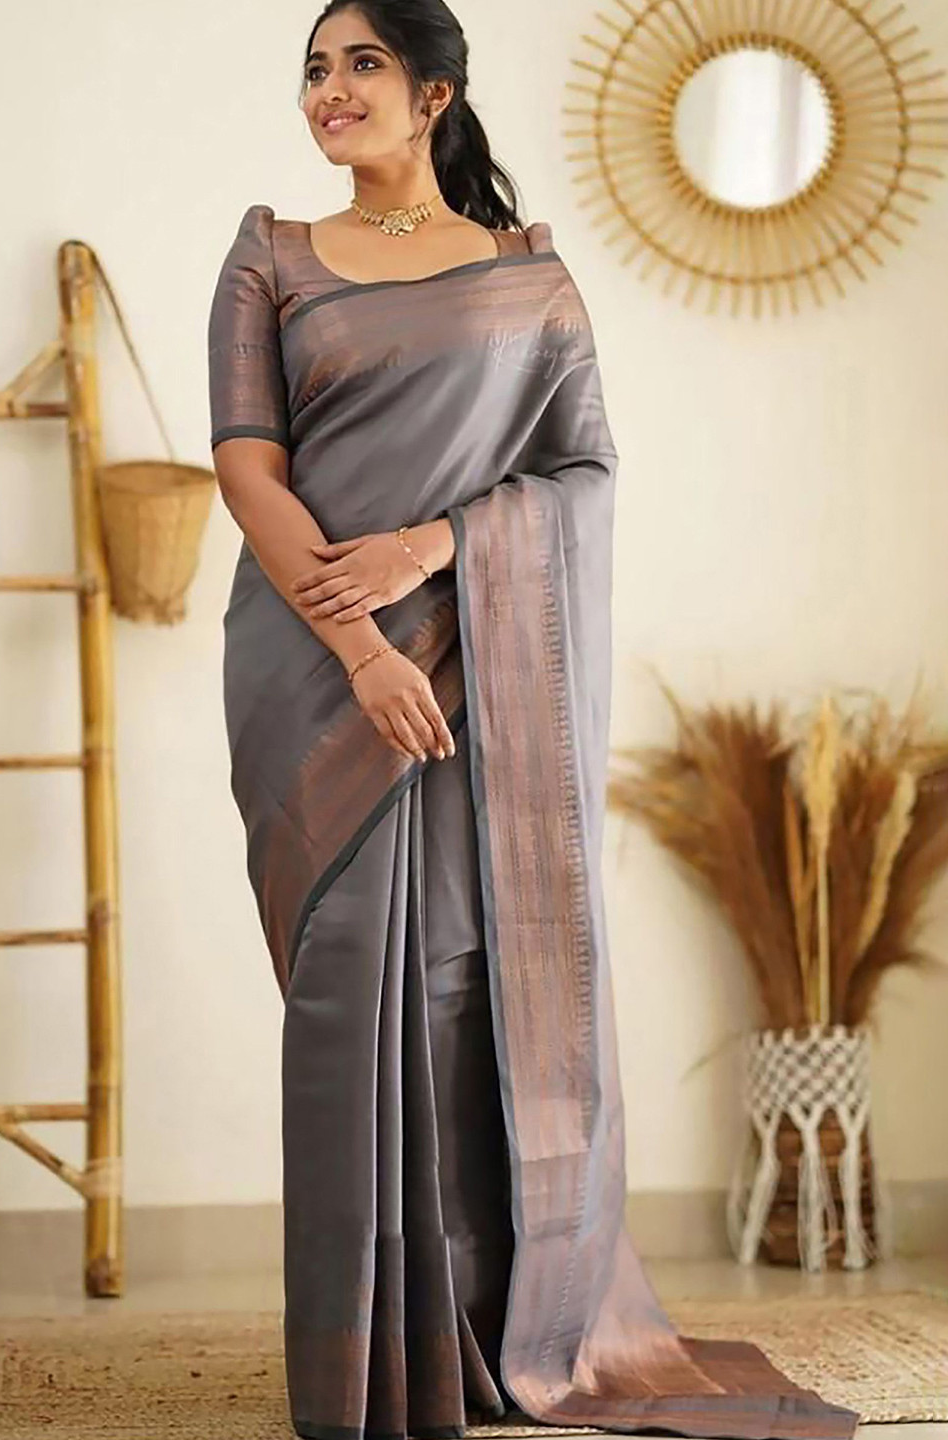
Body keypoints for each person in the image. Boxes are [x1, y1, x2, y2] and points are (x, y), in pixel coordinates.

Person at [206, 4, 860, 1439]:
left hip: (476, 671)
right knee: (344, 999)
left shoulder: (529, 279)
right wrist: (361, 652)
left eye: (362, 64)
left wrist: (434, 547)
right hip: (313, 674)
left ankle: (481, 1338)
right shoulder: (270, 256)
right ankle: (362, 1367)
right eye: (315, 69)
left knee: (457, 978)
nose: (329, 91)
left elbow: (582, 476)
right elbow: (250, 474)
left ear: (435, 91)